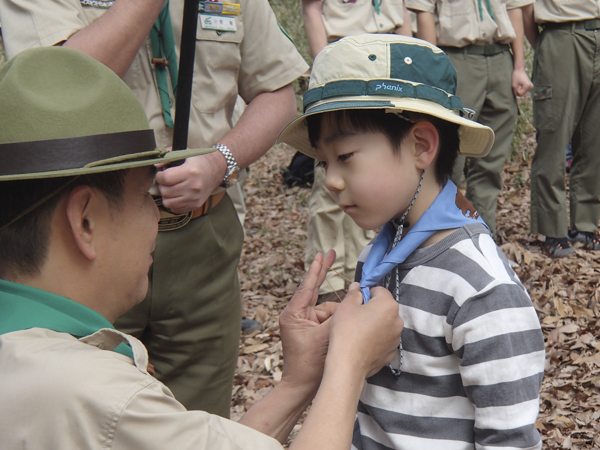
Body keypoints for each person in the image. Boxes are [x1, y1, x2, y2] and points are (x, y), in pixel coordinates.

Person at [0, 46, 403, 450]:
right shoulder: (97, 398)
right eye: (147, 196)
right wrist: (348, 364)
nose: (157, 218)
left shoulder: (34, 360)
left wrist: (299, 382)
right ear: (85, 221)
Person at [0, 0, 309, 415]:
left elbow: (277, 92)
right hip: (80, 245)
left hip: (204, 236)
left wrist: (221, 161)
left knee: (199, 414)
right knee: (82, 411)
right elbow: (54, 88)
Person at [279, 34, 545, 449]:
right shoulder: (376, 256)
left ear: (421, 145)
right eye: (323, 162)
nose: (330, 180)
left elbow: (509, 438)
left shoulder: (480, 288)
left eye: (345, 156)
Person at [300, 0, 412, 302]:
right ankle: (329, 287)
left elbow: (401, 12)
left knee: (380, 179)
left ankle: (373, 277)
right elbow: (312, 9)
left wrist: (411, 61)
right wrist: (328, 75)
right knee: (335, 183)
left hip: (393, 61)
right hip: (345, 64)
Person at [406, 0, 533, 237]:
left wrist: (519, 66)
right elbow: (424, 11)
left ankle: (483, 236)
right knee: (446, 158)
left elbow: (513, 7)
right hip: (457, 59)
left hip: (500, 58)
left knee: (491, 161)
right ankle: (440, 237)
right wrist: (435, 71)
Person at [523, 1, 600, 257]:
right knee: (554, 139)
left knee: (594, 141)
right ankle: (553, 229)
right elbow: (525, 8)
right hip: (563, 35)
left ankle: (585, 225)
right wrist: (548, 47)